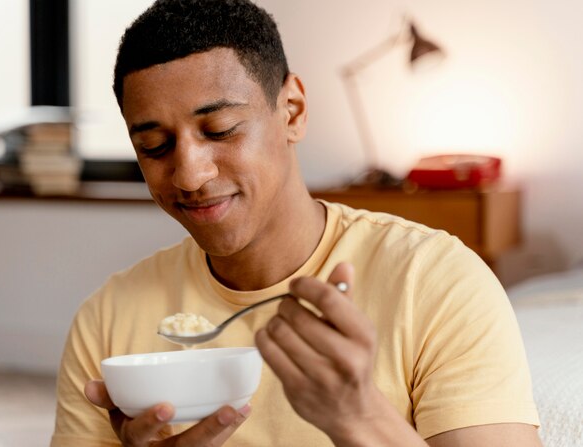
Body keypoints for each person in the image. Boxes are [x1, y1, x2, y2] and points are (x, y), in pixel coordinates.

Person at [51, 0, 542, 446]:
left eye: (219, 130)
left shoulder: (436, 281)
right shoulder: (107, 319)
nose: (190, 174)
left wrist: (358, 416)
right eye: (154, 146)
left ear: (293, 111)